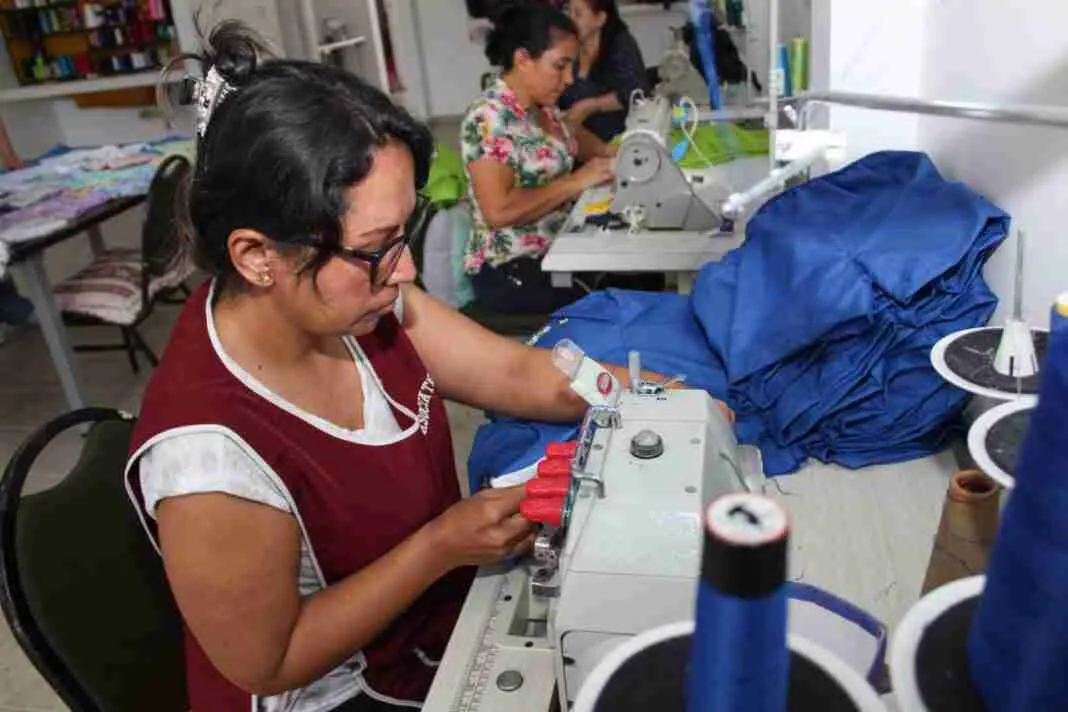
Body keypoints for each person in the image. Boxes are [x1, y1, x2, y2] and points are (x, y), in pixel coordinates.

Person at [125, 21, 673, 712]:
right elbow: (271, 662)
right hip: (332, 692)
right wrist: (441, 545)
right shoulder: (207, 456)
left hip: (424, 624)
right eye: (378, 245)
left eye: (403, 234)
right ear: (258, 256)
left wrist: (660, 398)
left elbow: (518, 376)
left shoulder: (357, 299)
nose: (407, 270)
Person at [461, 3, 616, 314]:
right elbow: (499, 212)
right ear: (523, 60)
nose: (569, 78)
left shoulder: (543, 109)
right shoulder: (489, 119)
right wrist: (576, 182)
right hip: (512, 270)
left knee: (637, 276)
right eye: (560, 66)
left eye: (572, 66)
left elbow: (586, 146)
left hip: (557, 249)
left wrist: (624, 153)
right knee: (613, 303)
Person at [559, 0, 651, 143]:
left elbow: (635, 93)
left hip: (615, 138)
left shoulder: (620, 45)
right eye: (567, 10)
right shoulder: (563, 44)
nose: (569, 20)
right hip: (573, 138)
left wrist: (590, 106)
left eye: (577, 14)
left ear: (600, 19)